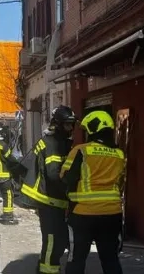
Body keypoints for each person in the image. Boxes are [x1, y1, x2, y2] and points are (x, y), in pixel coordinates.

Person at [60, 110, 126, 274]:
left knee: (76, 259)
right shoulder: (119, 154)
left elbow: (65, 177)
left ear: (92, 130)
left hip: (83, 214)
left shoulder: (81, 150)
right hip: (112, 213)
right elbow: (121, 183)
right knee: (111, 259)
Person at [19, 106, 77, 274]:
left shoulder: (56, 141)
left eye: (72, 125)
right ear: (58, 124)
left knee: (58, 240)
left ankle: (45, 265)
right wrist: (72, 184)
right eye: (67, 125)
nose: (71, 128)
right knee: (53, 240)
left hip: (55, 200)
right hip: (49, 200)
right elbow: (53, 174)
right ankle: (46, 271)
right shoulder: (53, 144)